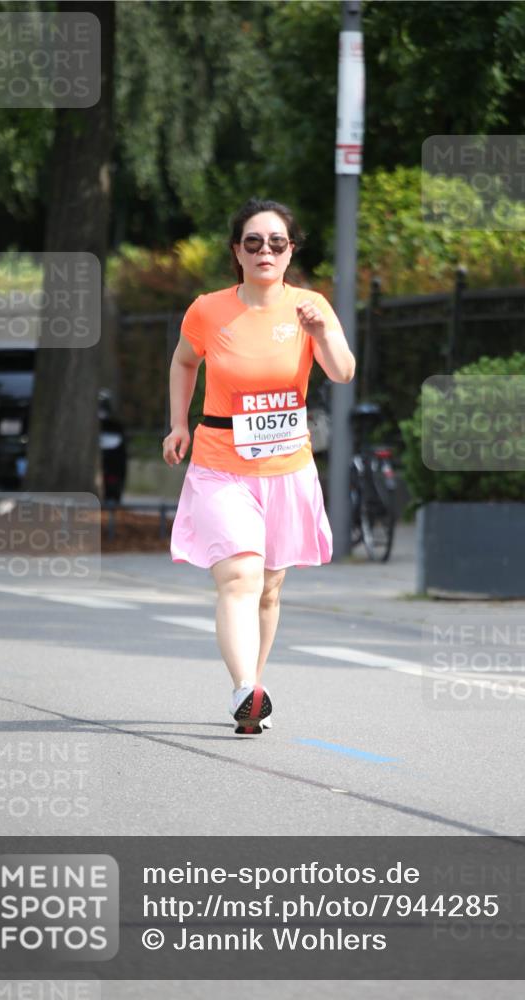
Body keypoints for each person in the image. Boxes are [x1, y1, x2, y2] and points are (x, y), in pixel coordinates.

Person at [163, 198, 355, 735]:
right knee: (240, 578)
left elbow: (342, 372)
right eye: (253, 242)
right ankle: (246, 688)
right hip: (221, 464)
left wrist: (322, 332)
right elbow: (183, 361)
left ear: (291, 250)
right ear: (237, 252)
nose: (265, 251)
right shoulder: (207, 309)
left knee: (270, 588)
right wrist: (179, 423)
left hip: (288, 468)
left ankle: (251, 691)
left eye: (277, 242)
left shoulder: (310, 306)